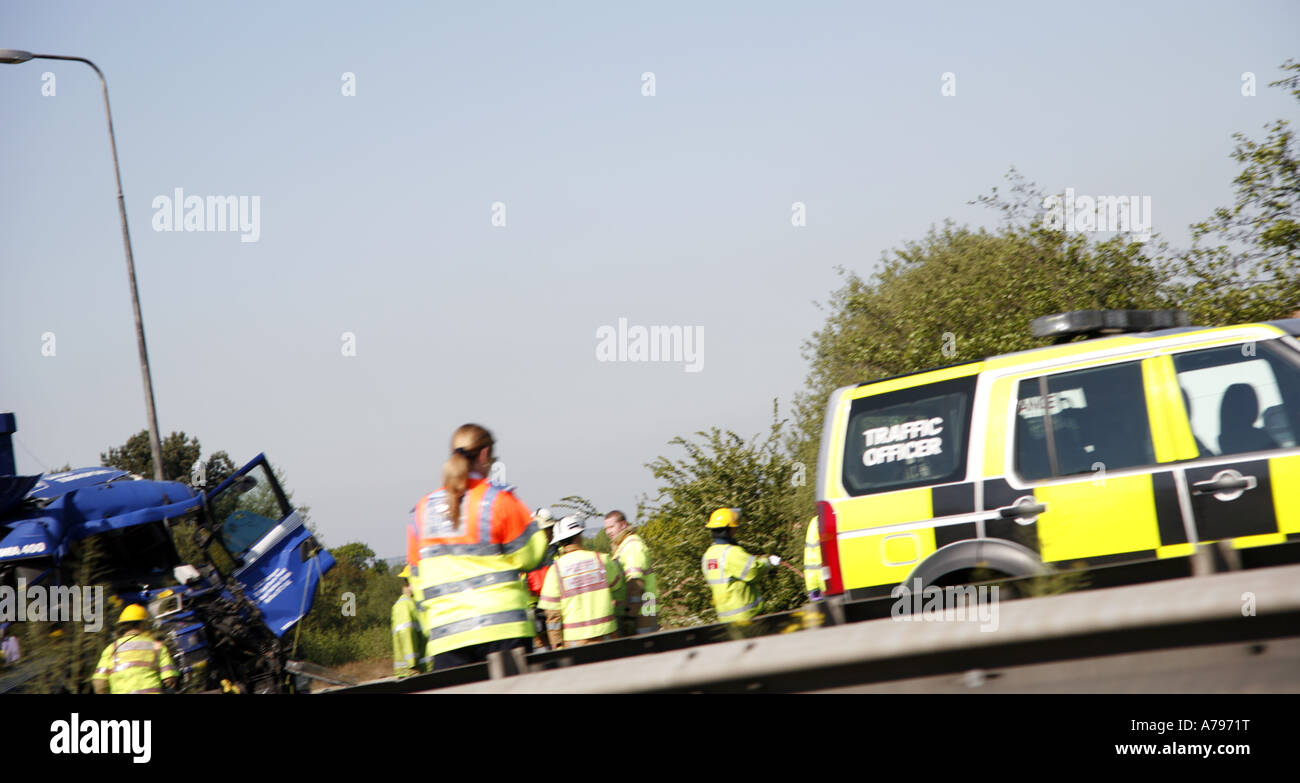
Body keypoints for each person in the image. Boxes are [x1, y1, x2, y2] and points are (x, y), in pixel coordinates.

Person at [413, 424, 548, 670]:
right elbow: (533, 554)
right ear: (485, 455)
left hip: (447, 636)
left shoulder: (421, 511)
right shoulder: (498, 500)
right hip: (503, 630)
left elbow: (416, 578)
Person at [538, 515, 626, 649]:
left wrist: (558, 646)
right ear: (579, 536)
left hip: (575, 642)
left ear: (559, 541)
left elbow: (552, 615)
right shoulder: (602, 560)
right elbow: (619, 592)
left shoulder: (555, 570)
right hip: (607, 636)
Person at [701, 508, 780, 625]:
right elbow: (753, 571)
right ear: (729, 530)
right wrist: (767, 562)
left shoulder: (708, 555)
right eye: (734, 528)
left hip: (725, 619)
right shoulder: (732, 552)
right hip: (746, 616)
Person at [92, 605, 178, 694]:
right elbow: (169, 677)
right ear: (143, 624)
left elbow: (99, 681)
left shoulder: (111, 649)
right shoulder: (157, 646)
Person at [603, 510, 659, 636]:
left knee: (645, 650)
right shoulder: (622, 546)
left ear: (623, 524)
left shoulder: (631, 546)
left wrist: (630, 615)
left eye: (611, 527)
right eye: (606, 528)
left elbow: (636, 583)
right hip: (641, 608)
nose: (608, 532)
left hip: (643, 610)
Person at [525, 508, 559, 648]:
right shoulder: (527, 554)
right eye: (547, 529)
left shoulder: (558, 550)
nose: (550, 532)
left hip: (555, 606)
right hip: (535, 607)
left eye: (551, 528)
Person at [392, 566, 427, 678]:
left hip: (422, 670)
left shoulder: (416, 602)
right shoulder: (404, 604)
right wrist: (412, 664)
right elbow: (406, 633)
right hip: (412, 673)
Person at [802, 516, 825, 602]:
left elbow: (811, 558)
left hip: (828, 585)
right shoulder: (817, 522)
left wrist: (813, 587)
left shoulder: (816, 522)